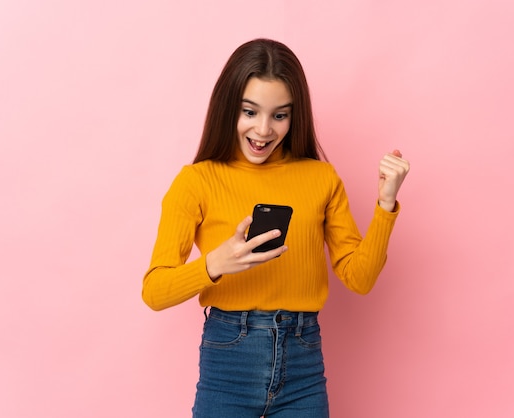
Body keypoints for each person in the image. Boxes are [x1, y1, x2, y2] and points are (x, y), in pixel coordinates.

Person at [142, 38, 410, 418]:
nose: (263, 130)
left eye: (279, 115)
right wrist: (214, 264)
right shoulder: (196, 181)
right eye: (249, 111)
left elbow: (359, 278)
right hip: (228, 361)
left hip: (303, 363)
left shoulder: (321, 177)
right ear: (227, 107)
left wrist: (385, 205)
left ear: (294, 116)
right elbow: (154, 291)